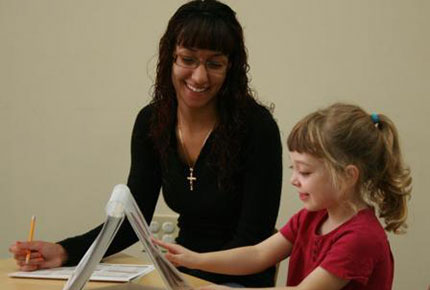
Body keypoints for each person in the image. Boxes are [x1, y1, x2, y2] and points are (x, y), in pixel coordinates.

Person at [9, 0, 282, 287]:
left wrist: (190, 276)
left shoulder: (257, 127)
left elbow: (253, 240)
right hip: (181, 274)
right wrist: (64, 251)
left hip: (235, 280)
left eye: (214, 64)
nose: (199, 76)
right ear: (170, 58)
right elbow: (130, 223)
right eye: (188, 59)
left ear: (231, 69)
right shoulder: (152, 122)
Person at [153, 103, 412, 290]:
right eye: (294, 169)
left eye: (305, 171)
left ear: (348, 175)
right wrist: (195, 259)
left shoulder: (360, 238)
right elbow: (257, 255)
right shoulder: (310, 217)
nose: (294, 180)